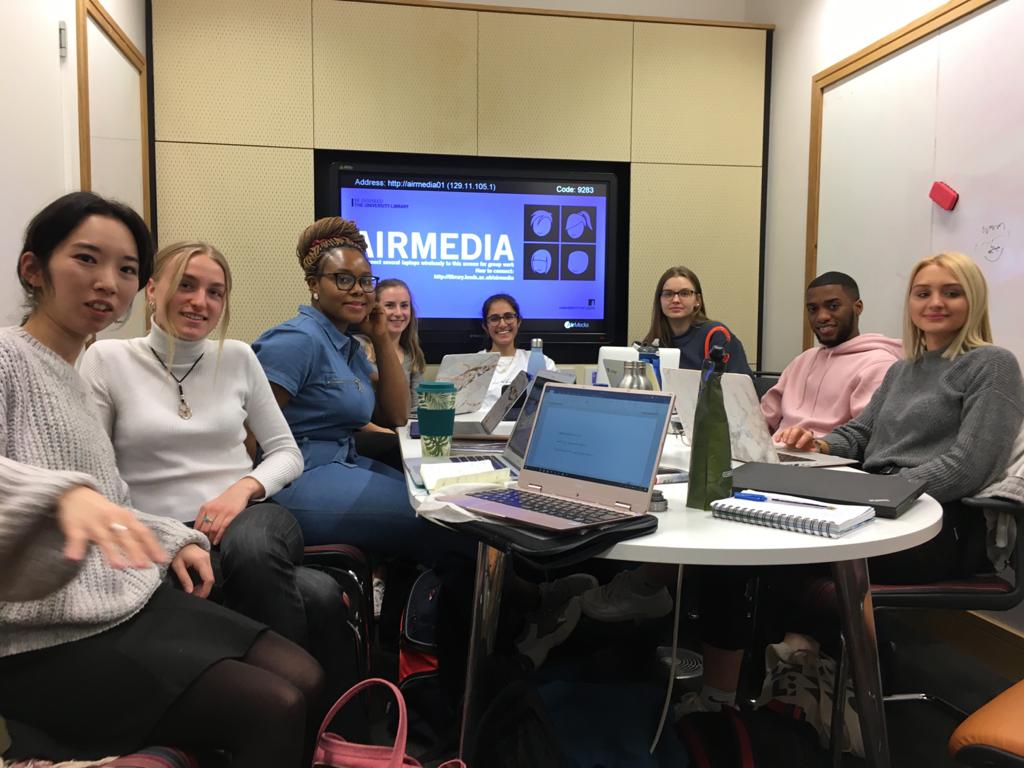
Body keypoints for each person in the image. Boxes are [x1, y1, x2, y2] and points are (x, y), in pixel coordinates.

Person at [0, 192, 322, 767]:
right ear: (33, 269)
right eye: (86, 259)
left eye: (124, 268)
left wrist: (175, 538)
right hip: (42, 630)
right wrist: (61, 496)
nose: (108, 282)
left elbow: (113, 498)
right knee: (276, 705)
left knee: (306, 673)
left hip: (120, 596)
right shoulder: (15, 359)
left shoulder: (72, 374)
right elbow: (79, 497)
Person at [685, 251, 1024, 716]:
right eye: (923, 293)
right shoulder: (903, 369)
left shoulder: (992, 364)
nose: (935, 303)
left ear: (975, 299)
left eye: (952, 292)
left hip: (939, 526)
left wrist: (882, 492)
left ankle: (805, 672)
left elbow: (969, 466)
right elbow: (861, 434)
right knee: (742, 539)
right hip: (880, 503)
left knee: (775, 551)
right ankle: (732, 695)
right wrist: (820, 444)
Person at [78, 241, 353, 701]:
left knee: (252, 548)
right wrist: (169, 537)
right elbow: (95, 476)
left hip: (251, 517)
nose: (200, 301)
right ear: (152, 290)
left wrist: (242, 489)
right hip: (159, 532)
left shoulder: (239, 357)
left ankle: (287, 702)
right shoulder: (106, 359)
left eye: (215, 292)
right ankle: (311, 715)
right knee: (318, 594)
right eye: (186, 285)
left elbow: (287, 453)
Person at [252, 217, 469, 561]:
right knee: (448, 521)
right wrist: (247, 500)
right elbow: (247, 431)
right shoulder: (297, 340)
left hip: (344, 462)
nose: (358, 289)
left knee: (445, 500)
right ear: (313, 284)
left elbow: (396, 414)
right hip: (299, 478)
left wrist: (380, 336)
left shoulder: (345, 344)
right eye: (343, 279)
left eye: (366, 281)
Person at [761, 271, 902, 436]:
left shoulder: (879, 364)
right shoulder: (802, 360)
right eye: (813, 309)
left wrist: (817, 444)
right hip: (776, 448)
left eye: (833, 306)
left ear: (858, 307)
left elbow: (866, 435)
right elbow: (762, 419)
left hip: (829, 450)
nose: (821, 317)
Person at [642, 266, 752, 374]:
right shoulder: (653, 342)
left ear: (697, 300)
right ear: (659, 300)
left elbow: (740, 382)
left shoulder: (716, 334)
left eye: (684, 293)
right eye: (668, 294)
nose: (675, 300)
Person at [478, 293, 555, 412]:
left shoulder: (543, 362)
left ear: (518, 322)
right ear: (485, 326)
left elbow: (553, 405)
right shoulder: (471, 365)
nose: (502, 324)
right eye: (494, 319)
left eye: (508, 317)